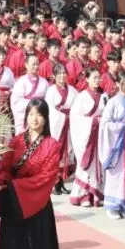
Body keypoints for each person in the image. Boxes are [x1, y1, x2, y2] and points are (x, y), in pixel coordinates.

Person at [0, 99, 61, 249]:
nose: (34, 119)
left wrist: (13, 188)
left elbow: (47, 177)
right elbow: (4, 167)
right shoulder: (16, 141)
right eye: (31, 114)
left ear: (46, 118)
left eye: (39, 114)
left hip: (38, 201)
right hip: (14, 201)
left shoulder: (52, 145)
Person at [98, 72, 125, 220]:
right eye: (124, 82)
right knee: (116, 173)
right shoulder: (112, 102)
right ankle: (113, 205)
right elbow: (105, 123)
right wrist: (123, 127)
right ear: (117, 84)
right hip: (116, 144)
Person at [68, 68, 106, 207]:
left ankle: (97, 194)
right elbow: (75, 117)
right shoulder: (82, 96)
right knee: (86, 165)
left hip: (99, 135)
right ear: (87, 79)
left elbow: (107, 115)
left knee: (99, 164)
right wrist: (93, 121)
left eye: (99, 78)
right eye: (94, 77)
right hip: (86, 135)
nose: (97, 80)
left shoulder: (104, 96)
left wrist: (102, 121)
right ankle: (84, 195)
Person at [44, 64, 77, 195]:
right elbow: (49, 109)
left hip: (69, 125)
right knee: (55, 154)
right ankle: (54, 184)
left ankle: (62, 182)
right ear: (54, 76)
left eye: (64, 73)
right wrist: (63, 117)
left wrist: (71, 117)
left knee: (66, 154)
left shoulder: (73, 91)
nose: (62, 76)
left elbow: (77, 107)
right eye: (59, 74)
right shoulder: (51, 91)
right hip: (57, 125)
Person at [9, 54, 49, 136]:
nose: (36, 66)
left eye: (37, 64)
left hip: (40, 115)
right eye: (33, 64)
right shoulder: (21, 81)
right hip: (26, 114)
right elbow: (16, 101)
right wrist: (33, 105)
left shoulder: (44, 82)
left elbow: (48, 99)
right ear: (26, 65)